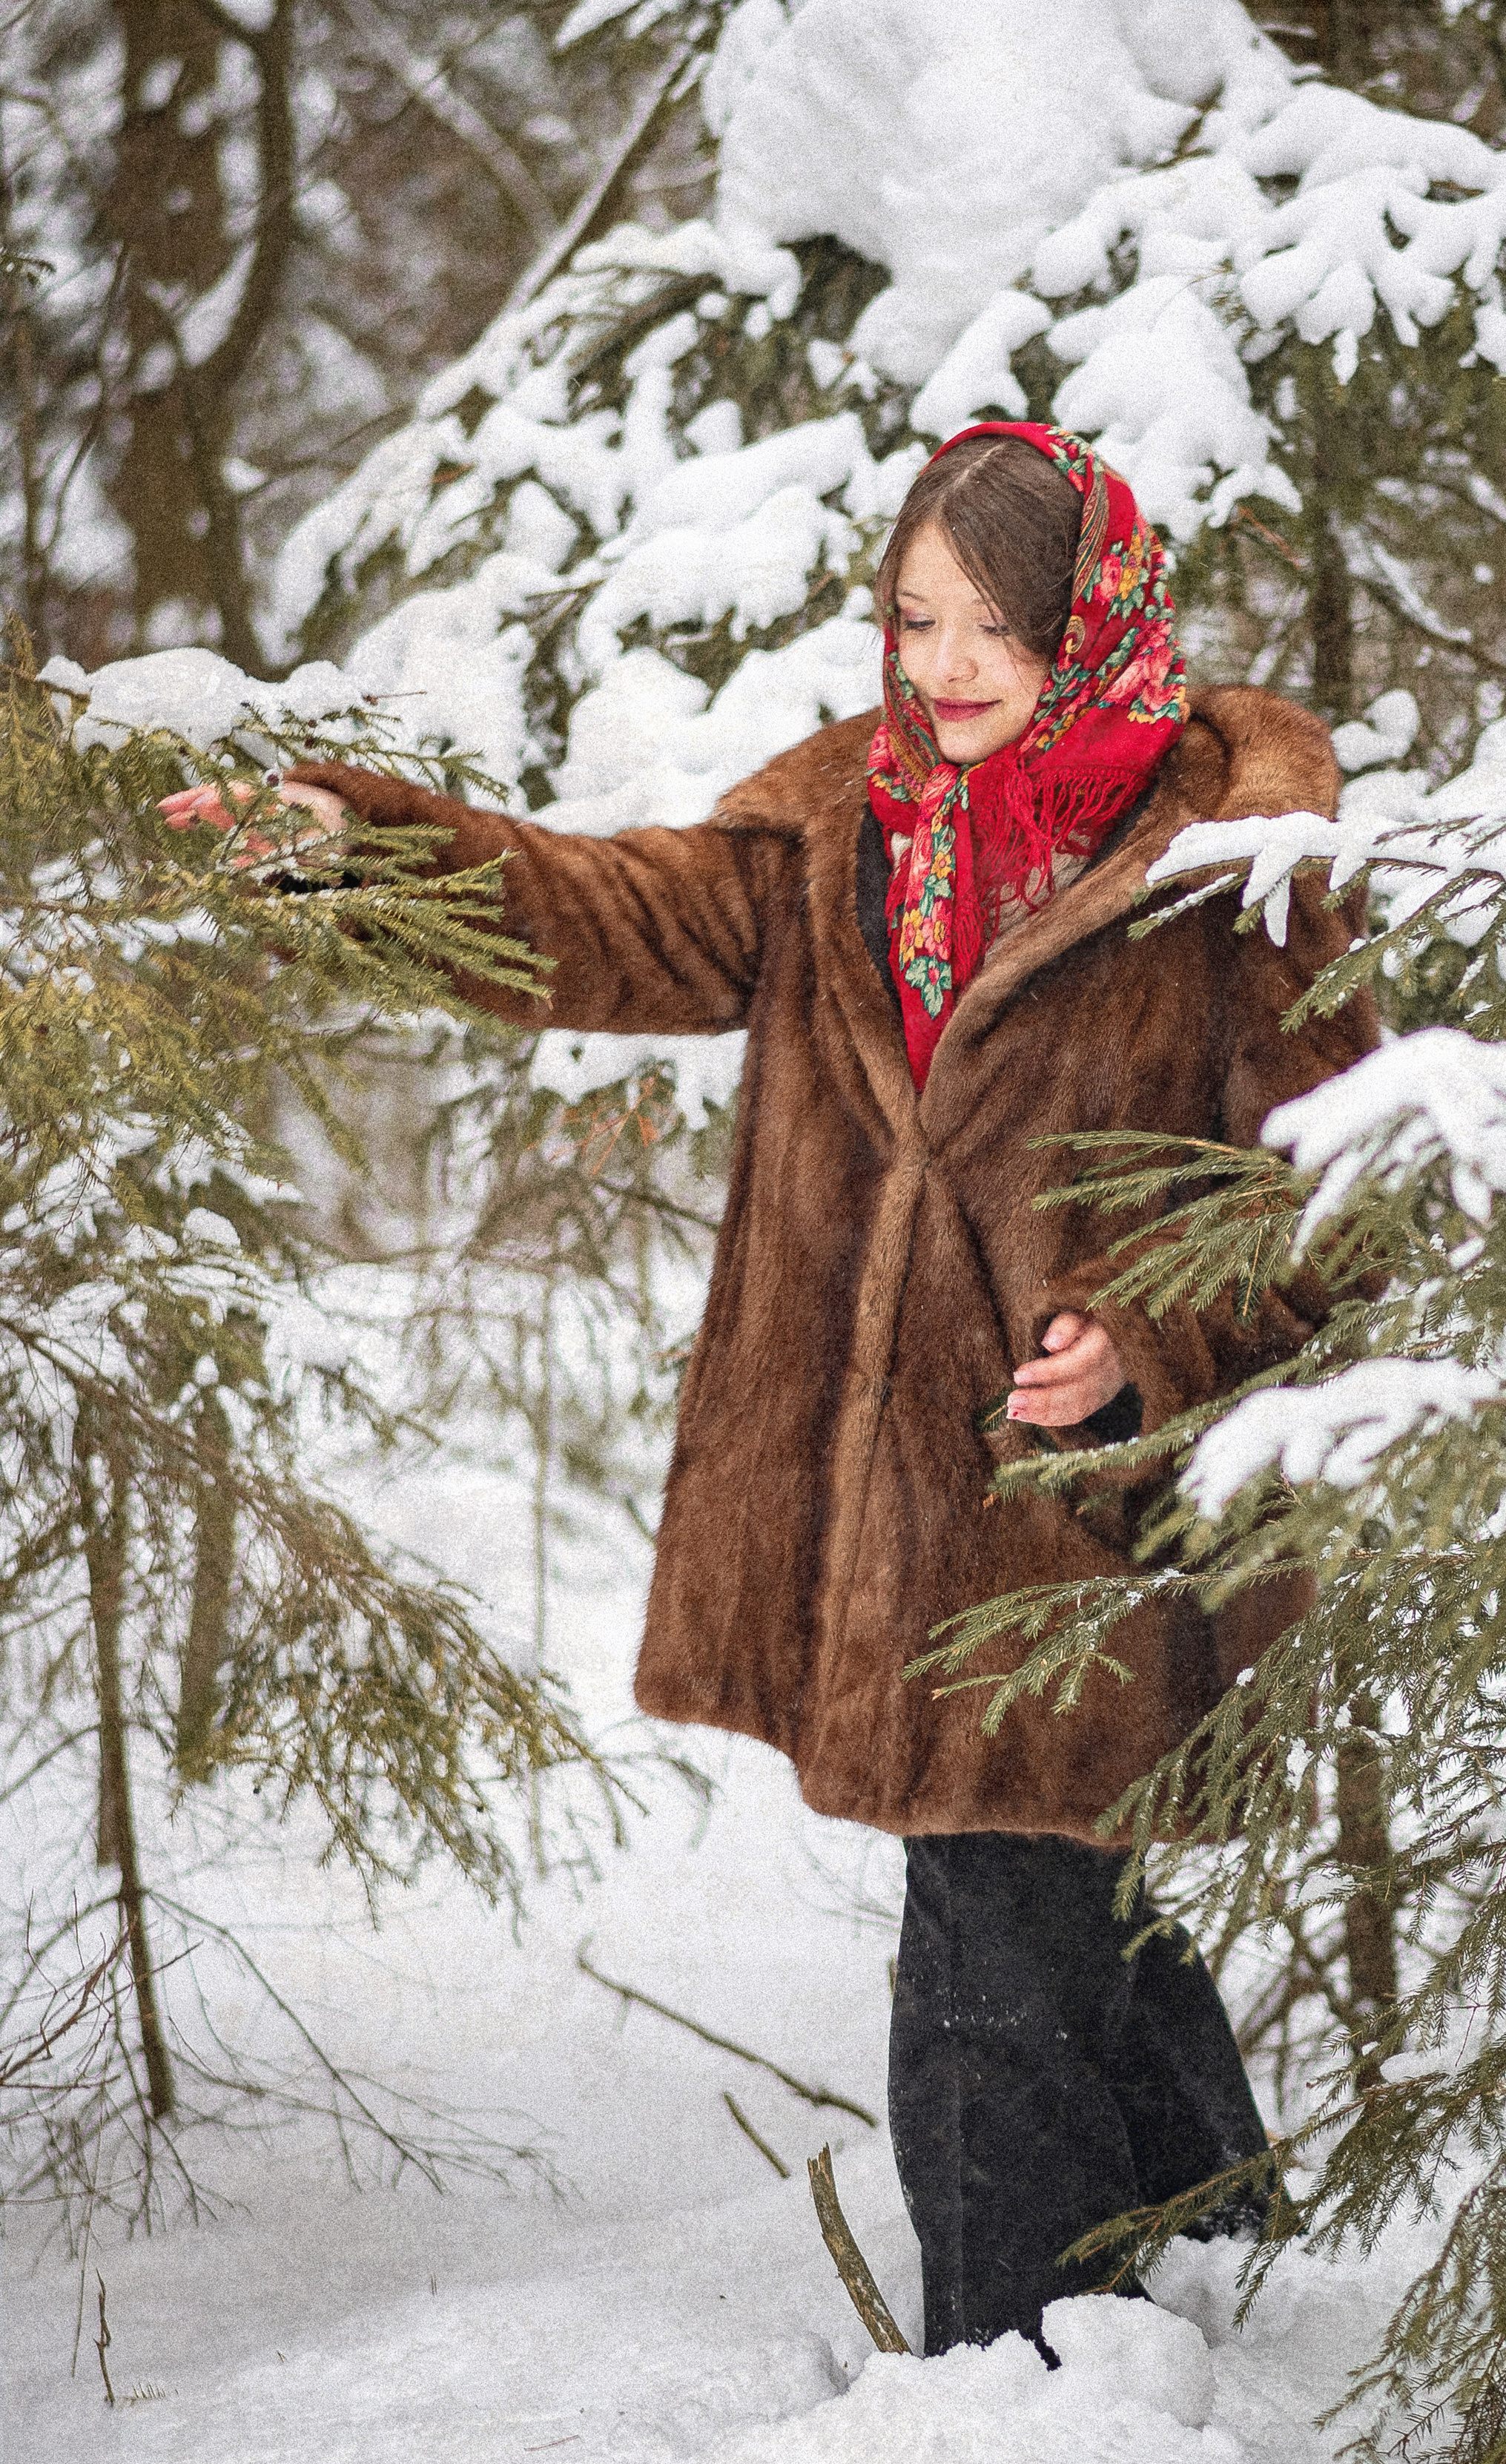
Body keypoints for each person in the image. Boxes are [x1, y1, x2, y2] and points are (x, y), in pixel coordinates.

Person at [163, 421, 1377, 2356]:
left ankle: (1026, 2376)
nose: (949, 664)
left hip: (1108, 1522)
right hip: (903, 1503)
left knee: (991, 1969)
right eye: (917, 617)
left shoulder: (1231, 881)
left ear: (1100, 629)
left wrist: (1149, 1343)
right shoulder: (846, 835)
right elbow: (597, 916)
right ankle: (1226, 2272)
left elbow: (1335, 1204)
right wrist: (352, 855)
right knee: (1069, 1900)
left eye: (1001, 625)